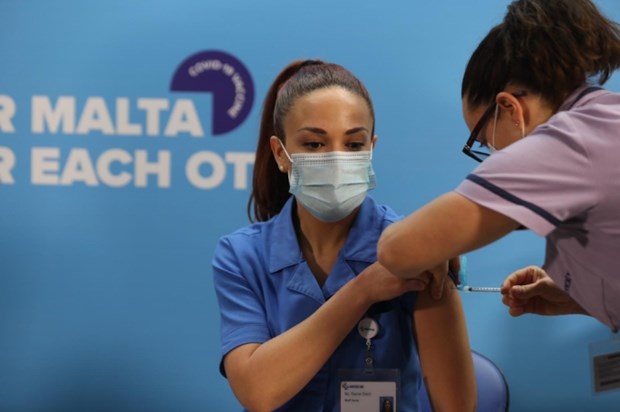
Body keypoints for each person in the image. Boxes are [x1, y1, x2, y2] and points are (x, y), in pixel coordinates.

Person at [212, 59, 476, 411]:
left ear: (371, 149)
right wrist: (364, 289)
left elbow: (457, 406)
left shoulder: (416, 251)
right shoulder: (242, 255)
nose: (336, 159)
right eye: (314, 144)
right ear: (281, 154)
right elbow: (257, 390)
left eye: (353, 145)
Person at [377, 0, 620, 331]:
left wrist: (438, 241)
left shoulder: (566, 143)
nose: (492, 152)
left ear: (509, 108)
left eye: (483, 140)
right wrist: (583, 297)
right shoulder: (605, 117)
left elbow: (397, 251)